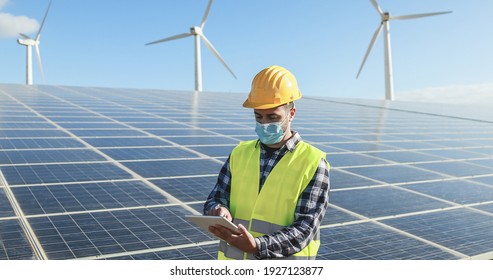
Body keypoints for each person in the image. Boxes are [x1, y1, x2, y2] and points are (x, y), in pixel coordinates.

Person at [203, 65, 330, 260]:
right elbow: (216, 197)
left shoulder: (312, 162)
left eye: (273, 117)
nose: (264, 124)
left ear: (291, 113)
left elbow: (305, 228)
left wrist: (258, 246)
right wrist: (218, 209)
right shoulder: (239, 153)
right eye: (258, 117)